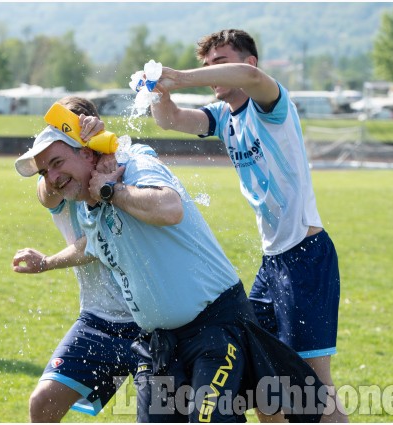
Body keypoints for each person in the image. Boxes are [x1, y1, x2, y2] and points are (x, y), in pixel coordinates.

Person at [11, 122, 328, 422]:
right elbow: (86, 243)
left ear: (85, 152)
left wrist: (112, 190)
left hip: (214, 328)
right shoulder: (87, 209)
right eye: (44, 171)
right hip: (159, 343)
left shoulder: (135, 166)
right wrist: (50, 261)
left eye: (56, 162)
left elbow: (170, 208)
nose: (51, 176)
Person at [148, 29, 347, 422]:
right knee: (260, 380)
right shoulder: (224, 117)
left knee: (313, 385)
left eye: (219, 64)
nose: (210, 73)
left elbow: (253, 81)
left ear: (247, 63)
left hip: (306, 258)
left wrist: (183, 77)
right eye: (207, 66)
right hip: (272, 265)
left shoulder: (269, 104)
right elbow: (168, 120)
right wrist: (156, 89)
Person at [23, 96, 157, 422]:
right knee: (43, 403)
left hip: (153, 322)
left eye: (77, 130)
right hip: (99, 320)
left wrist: (104, 153)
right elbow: (47, 192)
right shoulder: (57, 179)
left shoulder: (124, 163)